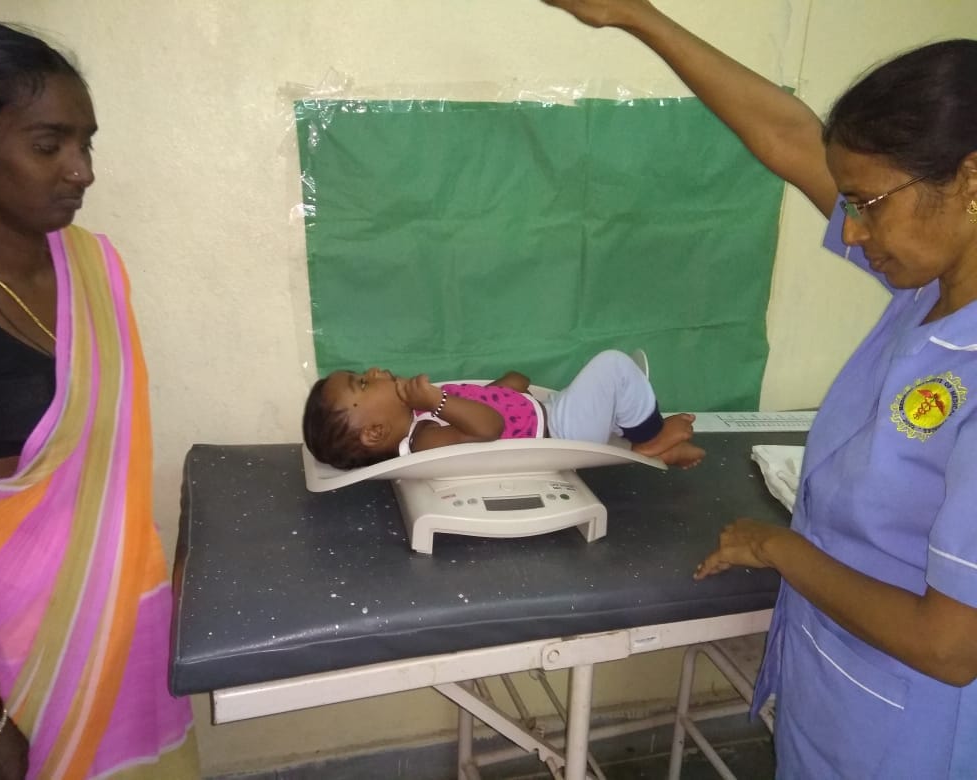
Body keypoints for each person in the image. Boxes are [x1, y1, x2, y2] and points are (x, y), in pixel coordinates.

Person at [542, 2, 977, 778]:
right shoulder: (928, 294)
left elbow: (951, 647)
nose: (848, 231)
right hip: (844, 697)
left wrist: (777, 546)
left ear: (970, 177)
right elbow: (786, 137)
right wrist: (636, 17)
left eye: (866, 203)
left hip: (914, 740)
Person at [0, 21, 198, 779]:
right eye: (49, 145)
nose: (80, 171)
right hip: (13, 655)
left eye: (86, 144)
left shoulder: (93, 266)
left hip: (127, 619)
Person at [303, 348, 706, 469]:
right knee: (615, 366)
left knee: (612, 386)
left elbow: (477, 415)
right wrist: (437, 400)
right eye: (361, 382)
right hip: (559, 433)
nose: (372, 370)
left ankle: (651, 445)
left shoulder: (421, 418)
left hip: (549, 413)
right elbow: (488, 429)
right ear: (374, 432)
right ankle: (651, 441)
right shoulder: (424, 439)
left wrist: (502, 388)